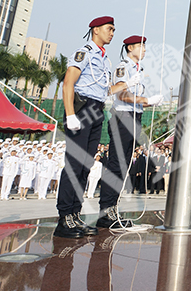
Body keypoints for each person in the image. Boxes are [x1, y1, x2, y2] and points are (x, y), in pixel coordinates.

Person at [56, 16, 115, 238]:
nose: (112, 33)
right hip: (83, 109)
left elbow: (104, 89)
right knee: (74, 163)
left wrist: (128, 84)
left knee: (85, 165)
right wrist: (71, 114)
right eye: (109, 29)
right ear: (96, 30)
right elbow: (68, 83)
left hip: (98, 109)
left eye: (113, 30)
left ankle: (75, 214)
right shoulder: (84, 52)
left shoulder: (104, 59)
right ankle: (64, 218)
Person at [96, 34, 162, 229]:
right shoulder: (123, 67)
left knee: (123, 166)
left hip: (134, 117)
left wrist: (148, 103)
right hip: (123, 117)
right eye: (141, 47)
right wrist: (146, 101)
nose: (144, 51)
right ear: (130, 48)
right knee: (116, 165)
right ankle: (106, 212)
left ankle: (112, 210)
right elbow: (121, 94)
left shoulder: (137, 69)